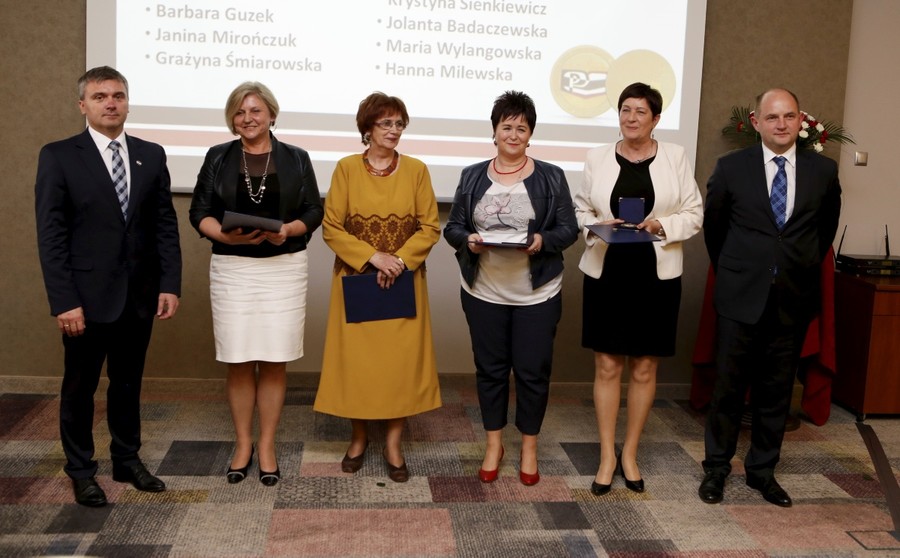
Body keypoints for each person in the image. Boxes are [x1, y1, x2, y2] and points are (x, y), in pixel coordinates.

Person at [35, 66, 182, 507]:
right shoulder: (59, 156)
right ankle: (81, 470)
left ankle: (126, 459)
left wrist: (169, 284)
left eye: (118, 95)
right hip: (84, 298)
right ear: (83, 105)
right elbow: (51, 236)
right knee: (80, 388)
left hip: (139, 294)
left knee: (128, 383)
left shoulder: (151, 154)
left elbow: (164, 225)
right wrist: (64, 301)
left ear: (128, 103)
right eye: (100, 97)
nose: (110, 103)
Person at [699, 88, 841, 507]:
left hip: (792, 298)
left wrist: (794, 265)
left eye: (789, 116)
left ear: (801, 121)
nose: (781, 124)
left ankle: (762, 472)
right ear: (757, 122)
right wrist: (741, 270)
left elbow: (824, 231)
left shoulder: (823, 171)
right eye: (773, 117)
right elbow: (715, 230)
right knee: (728, 391)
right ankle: (716, 469)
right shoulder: (730, 167)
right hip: (739, 296)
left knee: (776, 392)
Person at [189, 82, 323, 487]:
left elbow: (313, 210)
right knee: (240, 358)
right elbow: (199, 211)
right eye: (240, 112)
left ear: (271, 115)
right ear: (232, 119)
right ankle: (243, 444)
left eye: (255, 111)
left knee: (275, 358)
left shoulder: (296, 157)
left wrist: (288, 230)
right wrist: (222, 236)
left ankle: (266, 446)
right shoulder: (218, 156)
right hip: (233, 269)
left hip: (284, 268)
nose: (247, 118)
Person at [574, 82, 703, 495]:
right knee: (607, 365)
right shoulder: (596, 157)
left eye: (640, 112)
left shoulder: (675, 156)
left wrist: (662, 224)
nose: (631, 118)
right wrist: (596, 225)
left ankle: (629, 453)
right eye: (625, 110)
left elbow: (694, 212)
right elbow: (580, 208)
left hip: (655, 273)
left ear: (656, 119)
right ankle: (606, 456)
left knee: (645, 367)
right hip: (608, 271)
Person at [444, 91, 579, 486]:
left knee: (533, 373)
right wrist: (467, 239)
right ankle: (494, 444)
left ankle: (529, 448)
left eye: (522, 128)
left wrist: (542, 241)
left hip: (537, 294)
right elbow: (453, 227)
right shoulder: (472, 175)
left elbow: (568, 229)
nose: (514, 134)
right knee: (490, 371)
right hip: (484, 291)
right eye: (507, 127)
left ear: (530, 134)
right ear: (494, 131)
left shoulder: (551, 176)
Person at [313, 92, 441, 483]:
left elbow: (430, 227)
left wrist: (396, 260)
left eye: (399, 123)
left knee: (399, 366)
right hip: (357, 283)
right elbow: (331, 227)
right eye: (386, 123)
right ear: (367, 128)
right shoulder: (346, 168)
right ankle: (358, 438)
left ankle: (393, 444)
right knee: (358, 365)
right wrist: (373, 257)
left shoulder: (417, 170)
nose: (394, 130)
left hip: (403, 283)